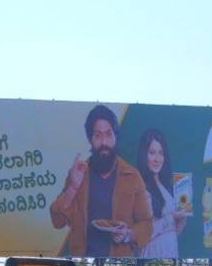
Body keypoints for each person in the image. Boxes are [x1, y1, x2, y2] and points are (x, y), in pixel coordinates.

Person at [49, 105, 153, 257]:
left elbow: (147, 224)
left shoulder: (132, 176)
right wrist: (72, 188)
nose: (104, 142)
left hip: (118, 262)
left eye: (109, 134)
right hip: (82, 260)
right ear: (90, 140)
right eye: (97, 135)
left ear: (115, 137)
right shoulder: (79, 174)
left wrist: (129, 234)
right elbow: (57, 221)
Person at [135, 128, 187, 259]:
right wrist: (171, 218)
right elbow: (141, 235)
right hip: (151, 255)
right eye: (152, 153)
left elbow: (171, 232)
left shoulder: (167, 187)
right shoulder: (138, 187)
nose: (157, 159)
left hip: (171, 253)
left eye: (161, 153)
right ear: (143, 154)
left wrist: (181, 220)